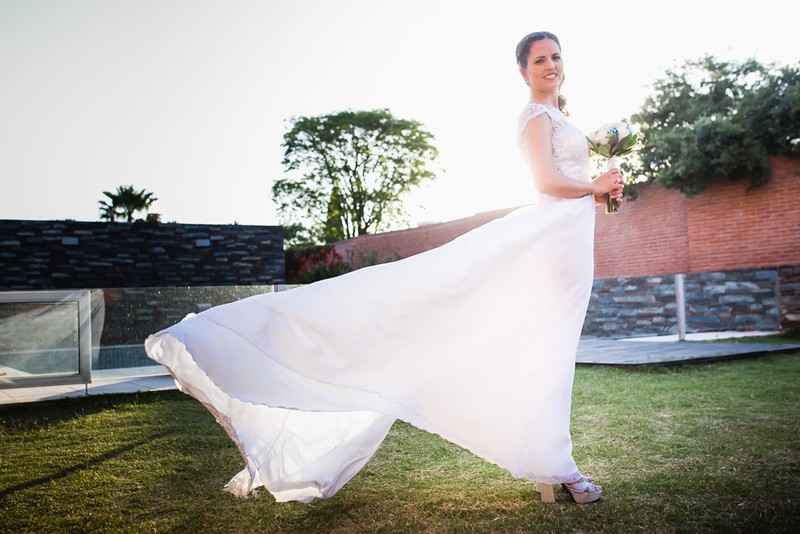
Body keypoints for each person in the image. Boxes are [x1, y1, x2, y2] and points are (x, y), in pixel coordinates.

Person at [145, 30, 622, 505]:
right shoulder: (536, 116)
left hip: (568, 240)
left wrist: (598, 193)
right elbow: (545, 181)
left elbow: (569, 182)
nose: (550, 65)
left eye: (555, 56)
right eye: (539, 60)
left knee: (548, 352)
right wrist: (593, 186)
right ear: (523, 71)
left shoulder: (561, 116)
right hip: (550, 241)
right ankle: (559, 467)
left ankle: (549, 460)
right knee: (537, 345)